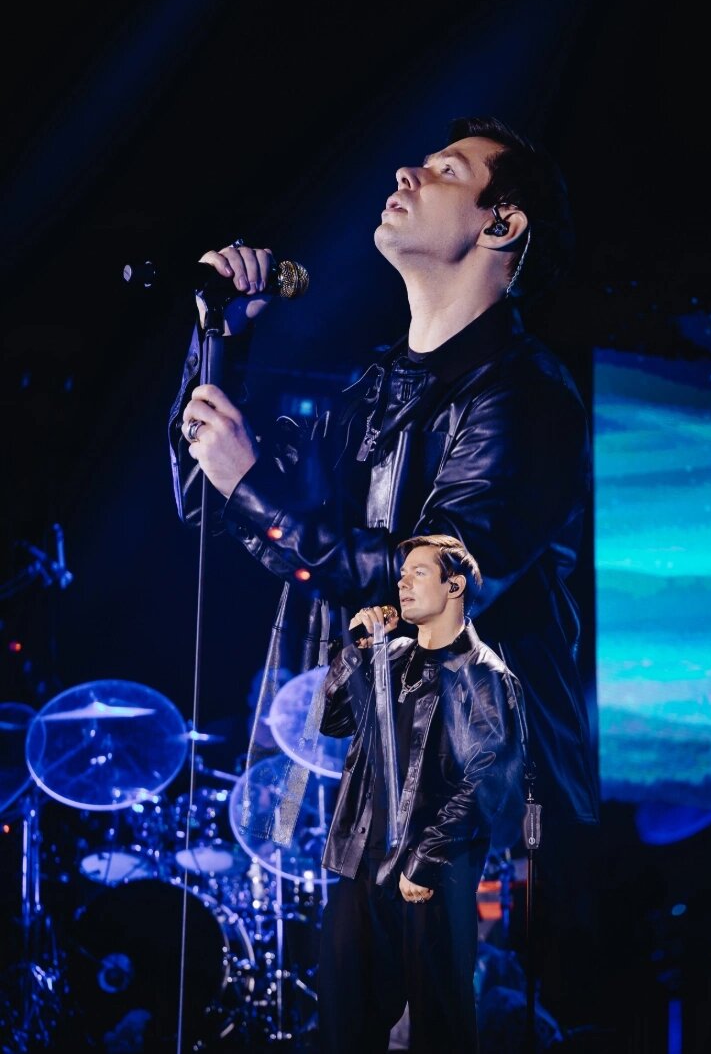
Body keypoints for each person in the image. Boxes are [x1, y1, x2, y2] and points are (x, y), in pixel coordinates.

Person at [168, 114, 600, 1023]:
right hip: (379, 794)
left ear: (502, 222)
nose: (407, 171)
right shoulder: (371, 396)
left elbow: (440, 577)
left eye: (446, 169)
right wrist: (223, 343)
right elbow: (217, 504)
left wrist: (255, 489)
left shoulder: (526, 395)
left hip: (488, 806)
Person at [316, 533, 527, 1053]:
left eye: (418, 573)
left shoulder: (484, 674)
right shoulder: (390, 658)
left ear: (454, 586)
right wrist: (359, 650)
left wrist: (426, 858)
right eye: (402, 574)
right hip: (362, 862)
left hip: (431, 871)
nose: (402, 583)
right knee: (347, 1018)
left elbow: (488, 778)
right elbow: (332, 719)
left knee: (439, 1022)